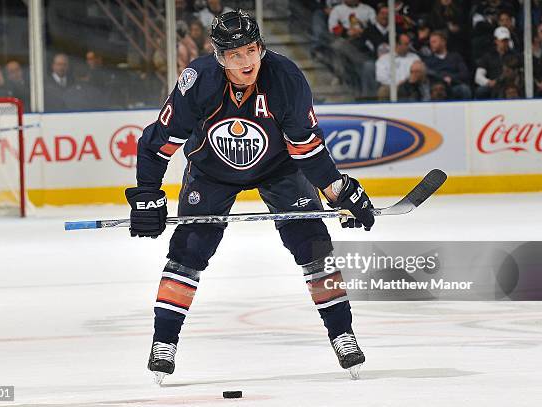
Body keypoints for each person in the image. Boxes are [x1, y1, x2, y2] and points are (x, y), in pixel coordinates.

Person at [128, 10, 375, 384]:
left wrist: (336, 191)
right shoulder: (197, 82)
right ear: (219, 57)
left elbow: (307, 149)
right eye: (235, 54)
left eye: (251, 50)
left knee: (312, 245)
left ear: (260, 47)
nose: (246, 61)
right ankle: (164, 342)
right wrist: (147, 194)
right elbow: (155, 144)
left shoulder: (286, 78)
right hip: (210, 172)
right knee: (189, 251)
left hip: (278, 167)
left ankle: (342, 333)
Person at [423, 30, 471, 99]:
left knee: (464, 89)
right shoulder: (428, 60)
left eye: (434, 42)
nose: (431, 44)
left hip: (453, 86)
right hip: (437, 88)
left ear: (443, 42)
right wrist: (443, 79)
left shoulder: (455, 57)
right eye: (430, 42)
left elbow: (464, 74)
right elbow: (430, 75)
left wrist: (451, 78)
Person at [474, 27, 519, 99]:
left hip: (510, 85)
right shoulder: (488, 56)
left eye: (506, 41)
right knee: (481, 91)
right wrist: (488, 82)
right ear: (496, 41)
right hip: (494, 84)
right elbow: (478, 77)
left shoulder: (514, 55)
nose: (504, 43)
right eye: (502, 41)